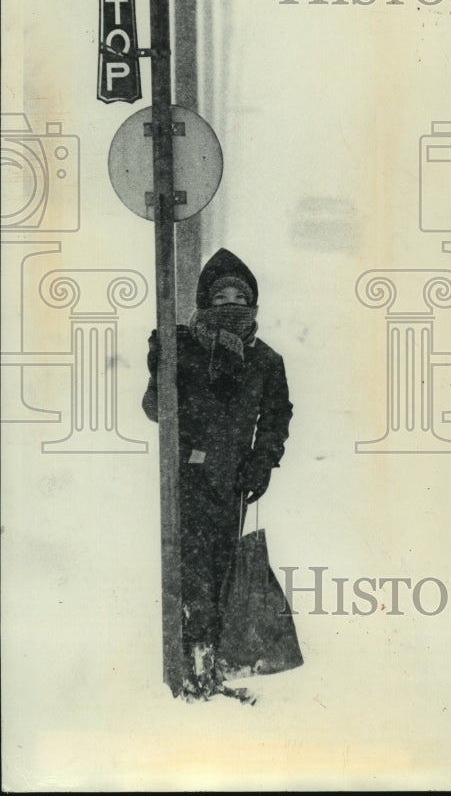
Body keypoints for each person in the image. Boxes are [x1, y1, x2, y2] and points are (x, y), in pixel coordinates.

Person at [142, 248, 293, 700]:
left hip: (231, 483)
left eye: (238, 295)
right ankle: (191, 670)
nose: (230, 302)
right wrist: (160, 367)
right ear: (206, 300)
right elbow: (155, 411)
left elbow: (276, 418)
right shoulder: (184, 347)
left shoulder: (266, 360)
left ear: (252, 303)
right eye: (220, 294)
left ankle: (212, 671)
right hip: (186, 480)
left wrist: (261, 464)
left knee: (224, 574)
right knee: (192, 577)